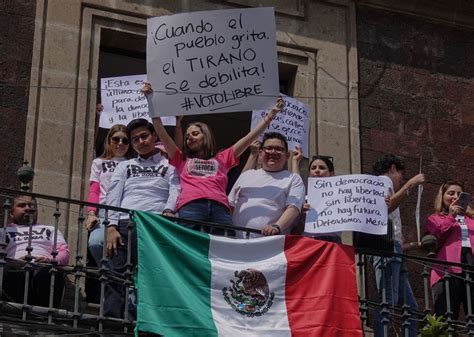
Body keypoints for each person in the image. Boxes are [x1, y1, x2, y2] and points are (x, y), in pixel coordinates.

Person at [143, 82, 284, 227]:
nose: (190, 137)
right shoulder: (181, 159)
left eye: (195, 133)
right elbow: (162, 133)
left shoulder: (223, 158)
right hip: (191, 208)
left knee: (222, 248)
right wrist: (151, 101)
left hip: (220, 210)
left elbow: (250, 137)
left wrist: (272, 113)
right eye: (187, 136)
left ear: (206, 135)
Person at [104, 118, 180, 318]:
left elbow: (175, 191)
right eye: (135, 139)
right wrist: (111, 226)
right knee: (115, 277)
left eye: (144, 136)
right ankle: (111, 324)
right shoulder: (125, 166)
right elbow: (113, 195)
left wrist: (168, 211)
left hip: (155, 225)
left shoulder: (170, 167)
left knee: (152, 278)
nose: (140, 142)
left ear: (154, 136)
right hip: (124, 224)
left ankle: (149, 323)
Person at [371, 154, 425, 337]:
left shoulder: (382, 185)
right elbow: (386, 208)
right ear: (393, 168)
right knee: (388, 300)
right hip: (387, 249)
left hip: (395, 250)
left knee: (410, 305)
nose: (400, 179)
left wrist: (412, 245)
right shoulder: (383, 181)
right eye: (401, 174)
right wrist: (411, 184)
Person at [228, 132, 305, 238]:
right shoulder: (246, 175)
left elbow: (293, 208)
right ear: (260, 153)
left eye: (279, 149)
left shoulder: (294, 179)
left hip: (270, 245)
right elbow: (230, 205)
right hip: (235, 241)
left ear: (287, 156)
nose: (273, 152)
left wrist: (277, 227)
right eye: (268, 148)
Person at [1, 195, 69, 307]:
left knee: (50, 272)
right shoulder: (3, 231)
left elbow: (64, 252)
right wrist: (13, 262)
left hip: (42, 268)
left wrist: (50, 261)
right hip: (15, 270)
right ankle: (15, 311)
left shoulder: (50, 230)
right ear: (11, 213)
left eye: (31, 205)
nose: (28, 208)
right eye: (22, 205)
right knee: (7, 269)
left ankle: (45, 315)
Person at [85, 124, 134, 265]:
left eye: (125, 140)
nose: (120, 143)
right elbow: (94, 190)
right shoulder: (99, 162)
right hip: (104, 212)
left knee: (124, 246)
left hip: (125, 212)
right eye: (116, 139)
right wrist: (91, 212)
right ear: (109, 141)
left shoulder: (133, 163)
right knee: (95, 243)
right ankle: (111, 274)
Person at [425, 180, 474, 320]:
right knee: (446, 316)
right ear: (442, 197)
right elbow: (435, 237)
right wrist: (451, 216)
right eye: (450, 193)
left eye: (459, 194)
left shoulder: (471, 219)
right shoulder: (435, 218)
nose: (455, 197)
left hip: (470, 263)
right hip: (446, 269)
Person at [292, 153, 342, 242]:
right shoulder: (305, 199)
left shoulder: (341, 197)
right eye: (313, 168)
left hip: (332, 245)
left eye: (322, 168)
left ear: (331, 174)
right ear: (309, 174)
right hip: (309, 244)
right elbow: (296, 183)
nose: (317, 170)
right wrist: (303, 217)